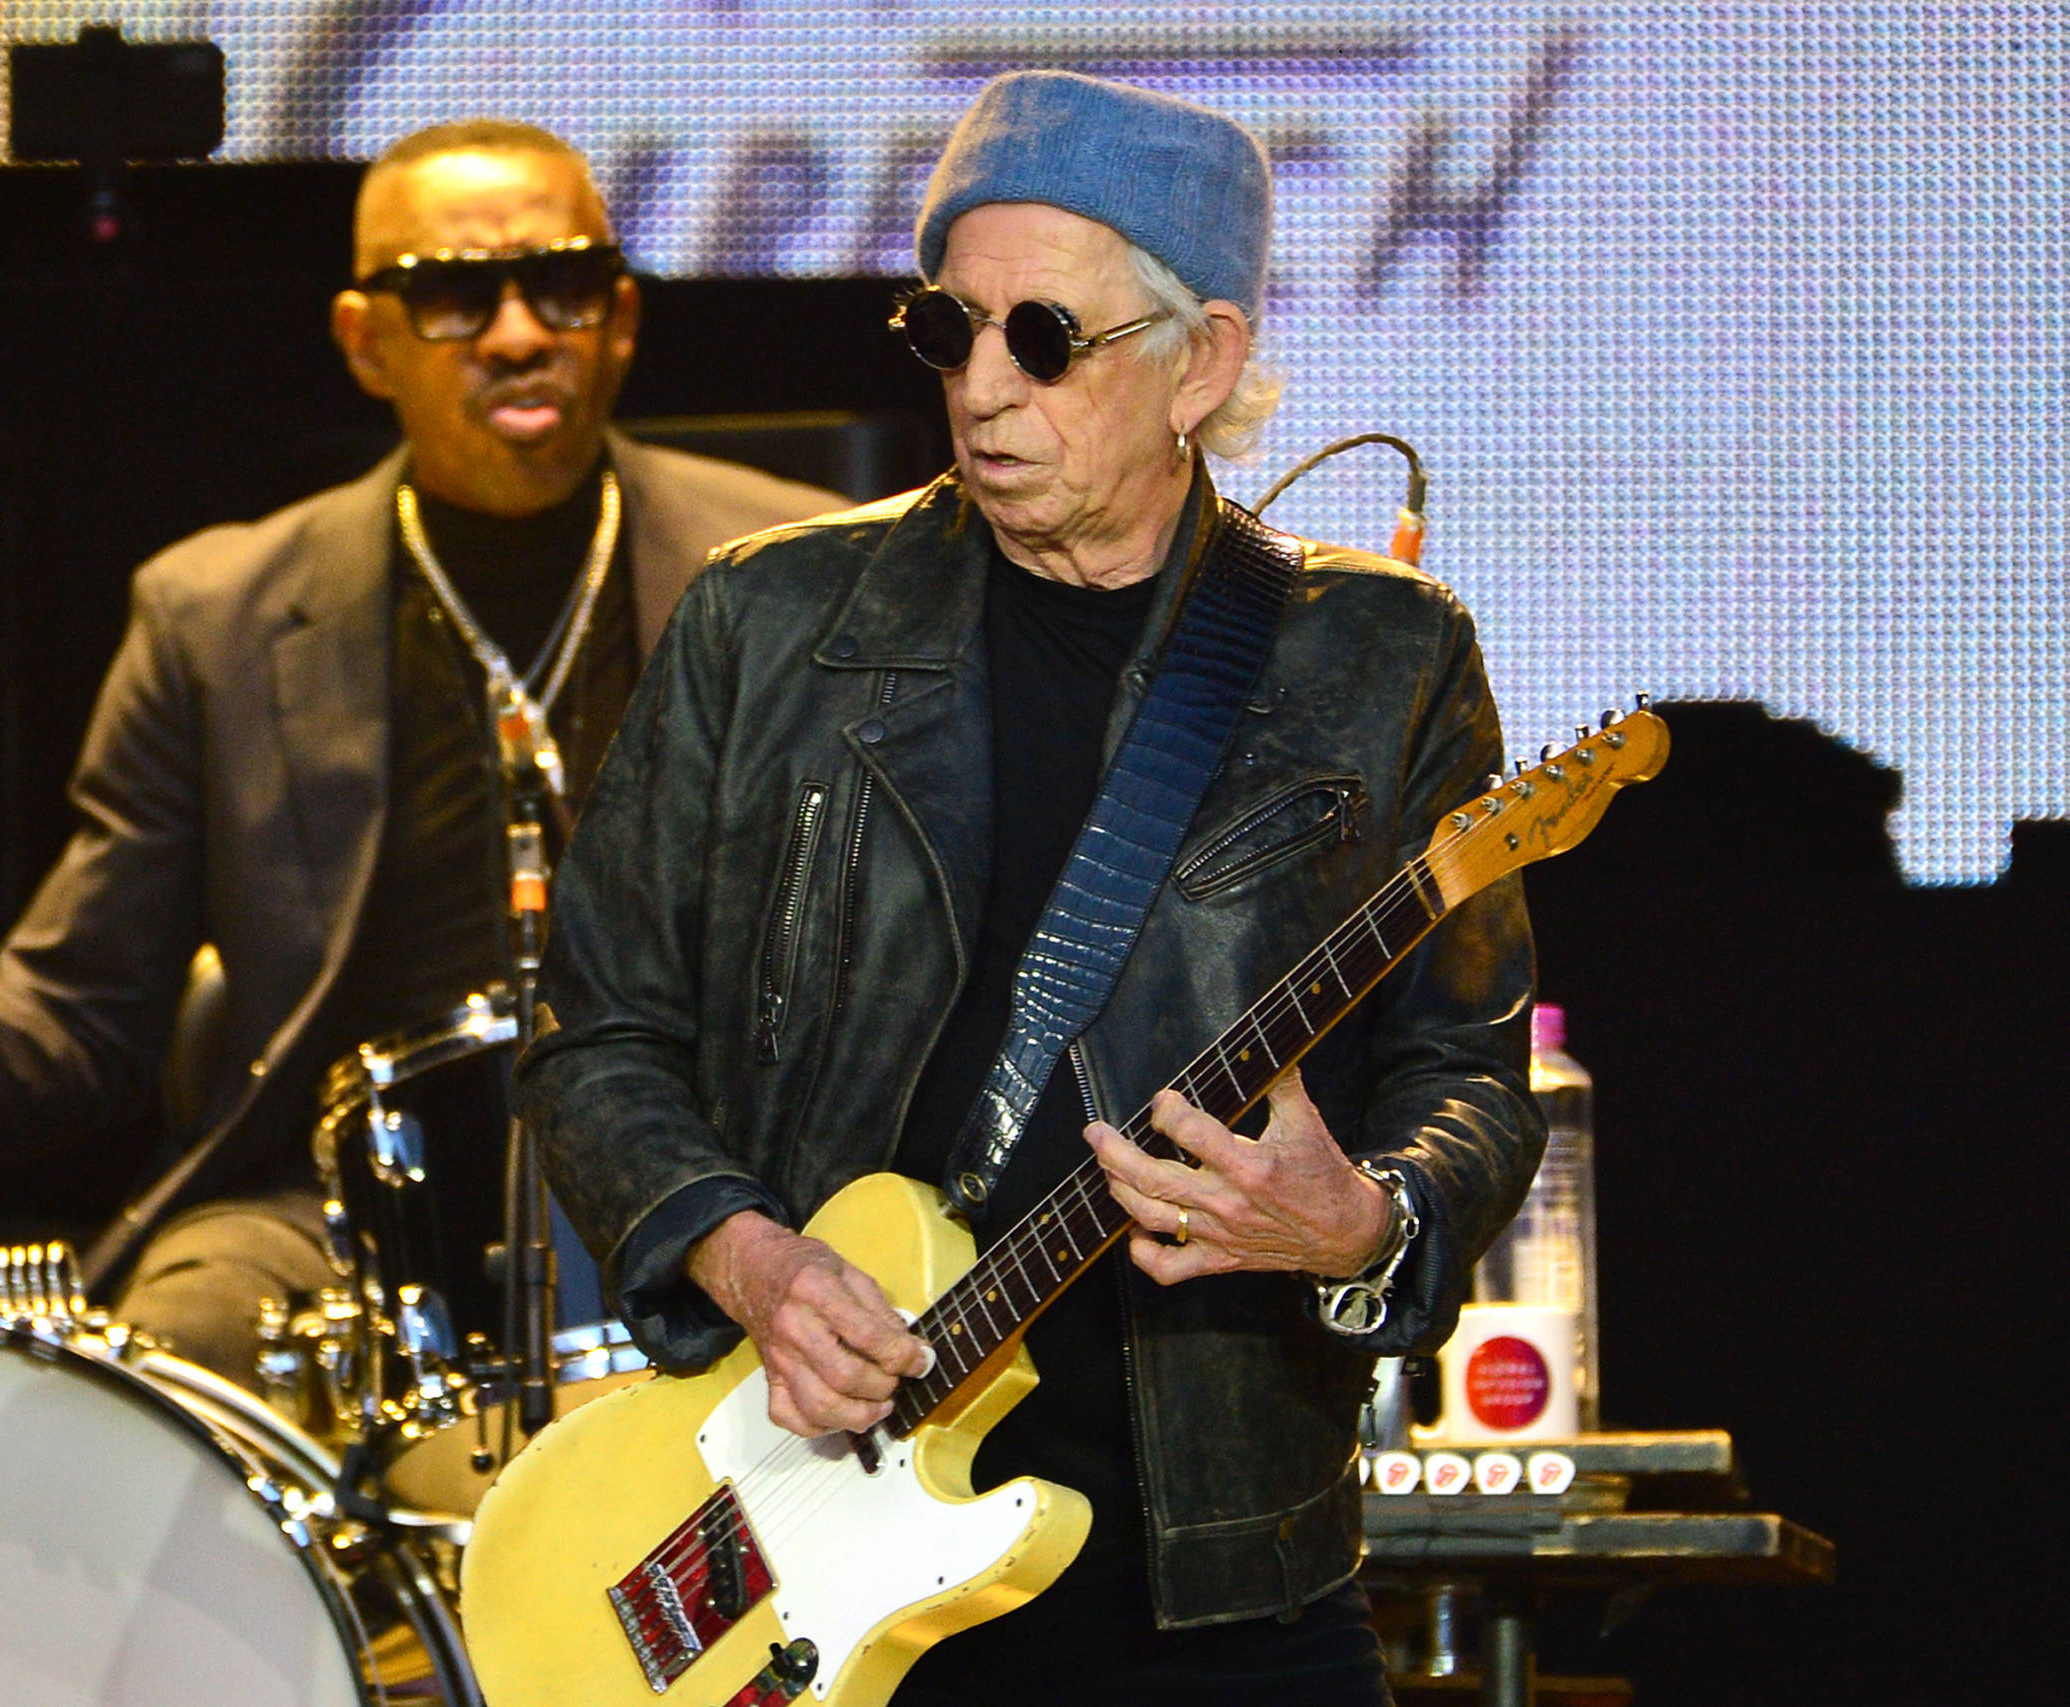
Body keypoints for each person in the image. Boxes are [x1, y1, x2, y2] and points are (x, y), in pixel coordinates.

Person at [517, 72, 1543, 1705]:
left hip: (1217, 1575)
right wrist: (744, 1256)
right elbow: (596, 1035)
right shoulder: (762, 624)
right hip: (816, 1540)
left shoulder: (1377, 658)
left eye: (1044, 340)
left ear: (1200, 360)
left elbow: (1467, 1080)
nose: (983, 389)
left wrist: (1356, 1220)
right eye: (947, 331)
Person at [0, 119, 846, 1381]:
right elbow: (85, 1012)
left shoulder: (800, 571)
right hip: (340, 1206)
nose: (513, 333)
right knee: (186, 1339)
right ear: (363, 341)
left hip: (713, 1173)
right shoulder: (216, 614)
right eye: (448, 295)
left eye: (557, 284)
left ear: (618, 316)